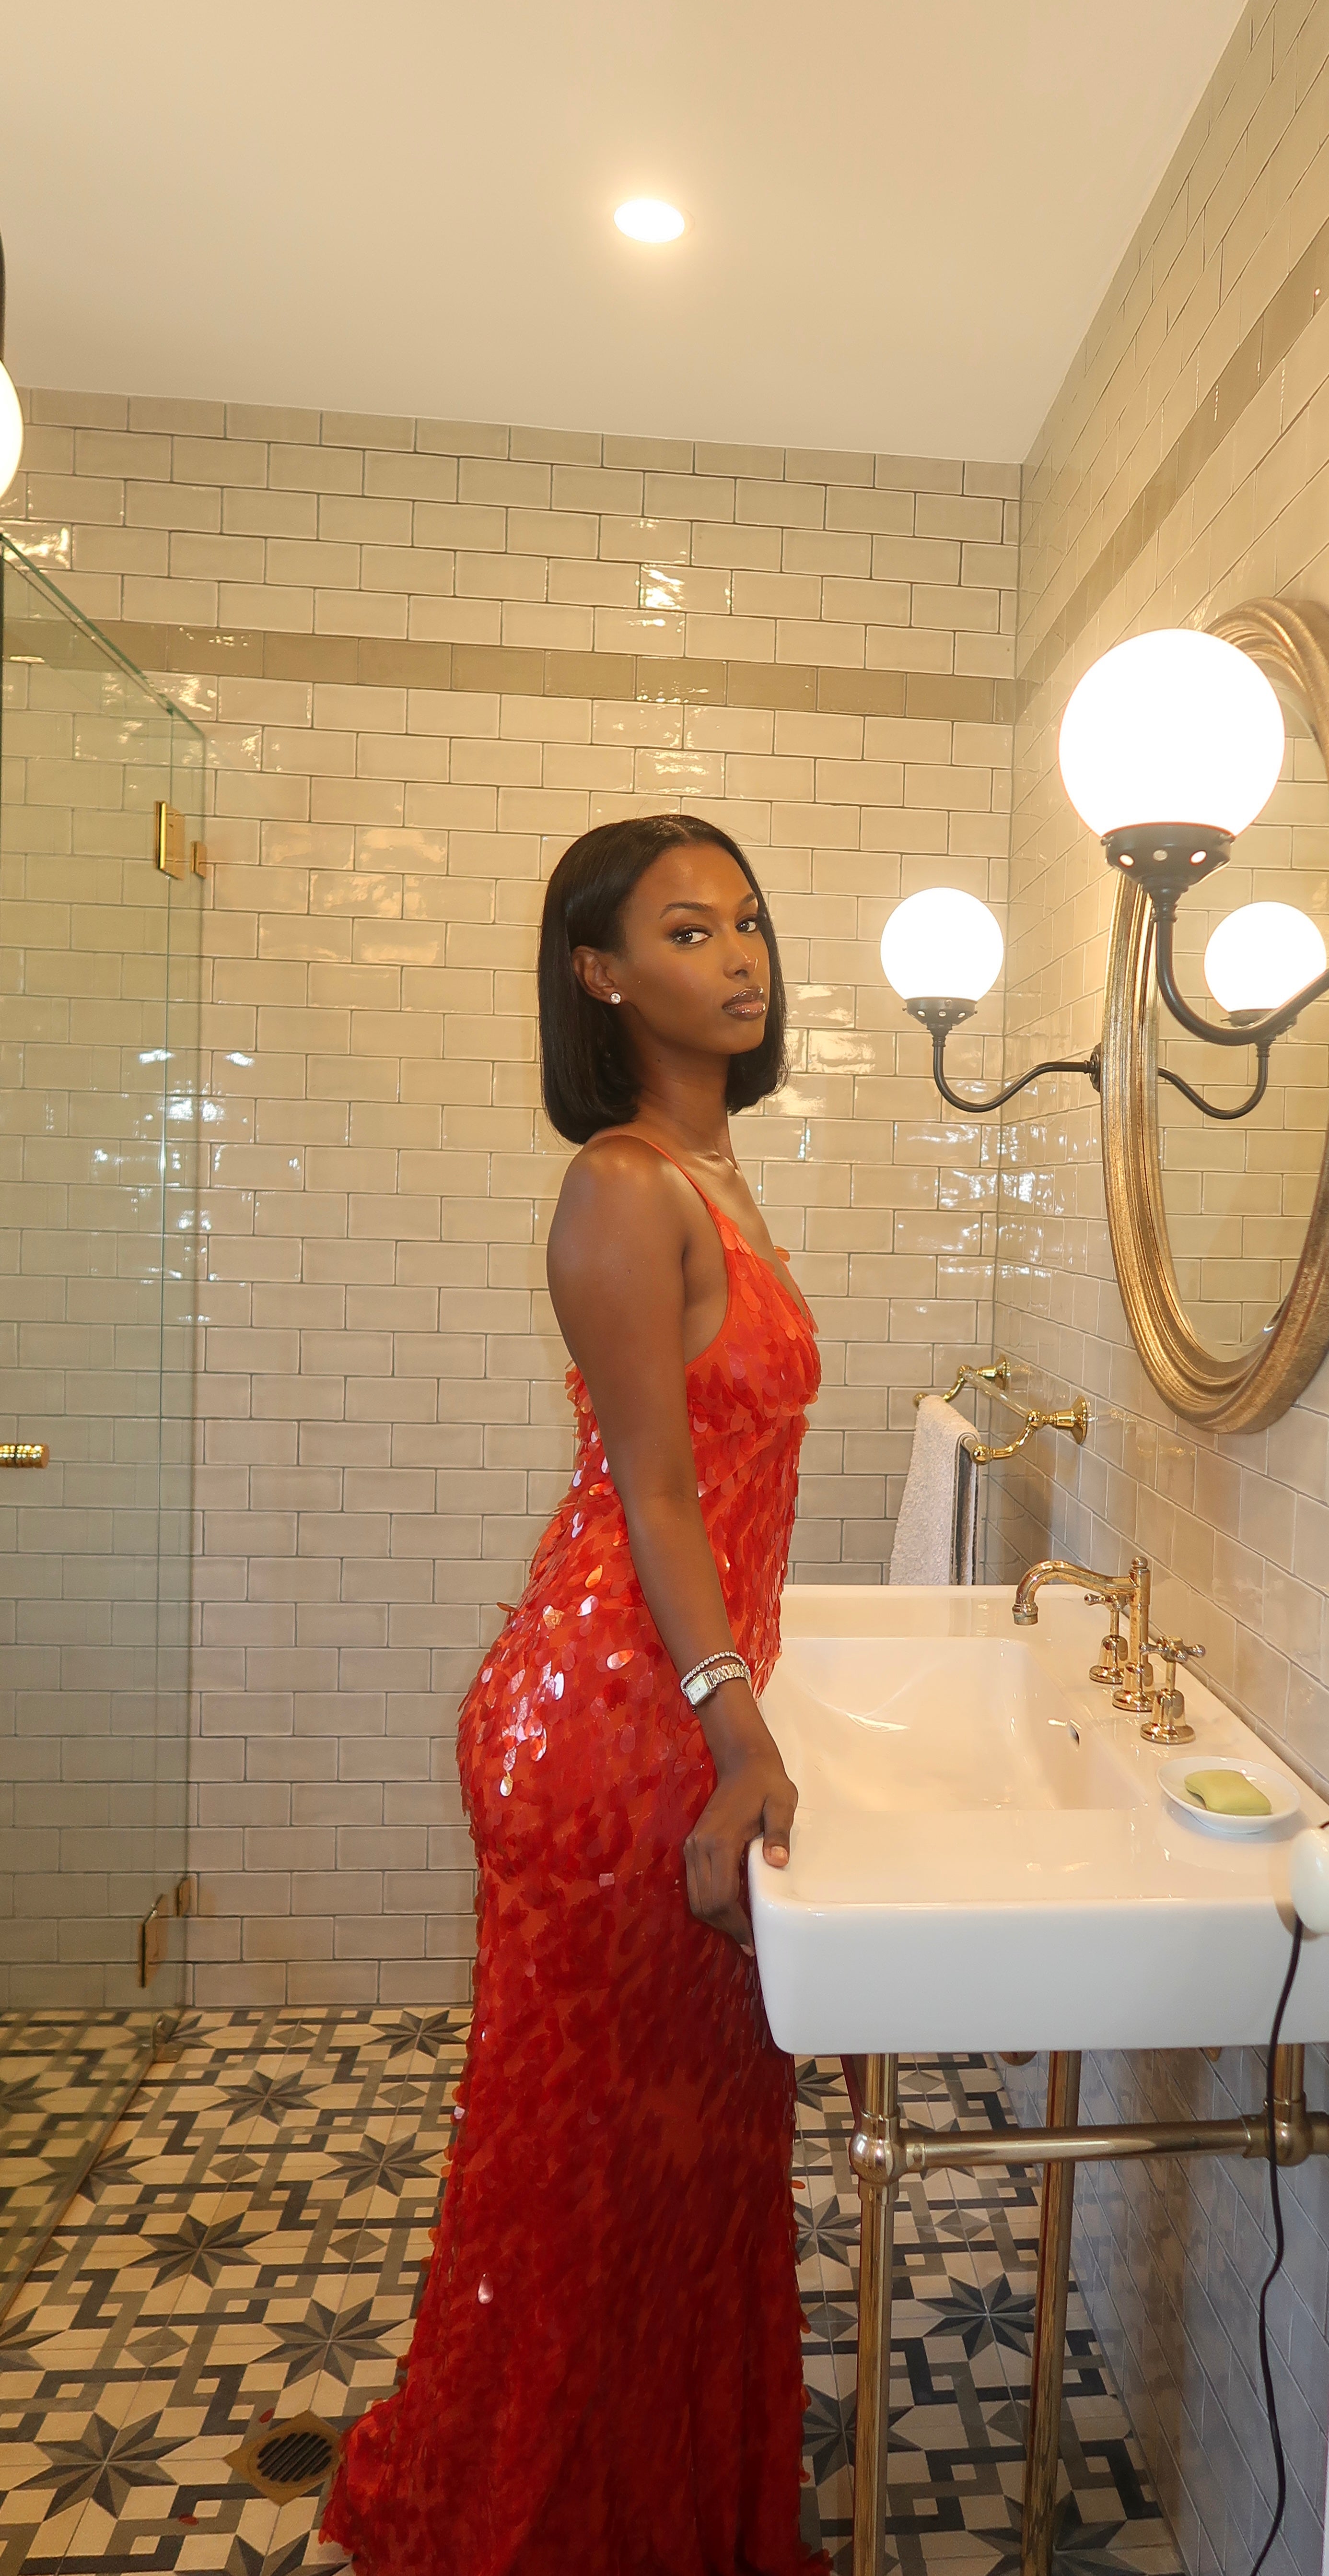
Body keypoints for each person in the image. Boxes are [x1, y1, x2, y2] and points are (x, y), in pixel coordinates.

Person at [323, 813, 827, 2576]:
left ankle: (660, 2510)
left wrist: (736, 1708)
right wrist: (737, 1723)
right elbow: (658, 1496)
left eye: (749, 922)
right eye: (689, 932)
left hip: (665, 1701)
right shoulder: (622, 1182)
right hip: (608, 1723)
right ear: (599, 974)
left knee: (684, 2159)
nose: (741, 957)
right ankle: (545, 2520)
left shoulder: (716, 1175)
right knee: (599, 2170)